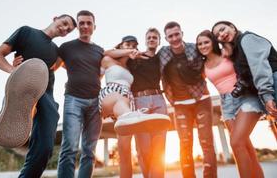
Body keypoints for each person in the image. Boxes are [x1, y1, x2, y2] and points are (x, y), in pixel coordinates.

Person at [0, 14, 76, 178]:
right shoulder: (26, 32)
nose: (65, 29)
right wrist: (12, 69)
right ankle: (22, 105)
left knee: (45, 149)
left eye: (69, 30)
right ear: (55, 18)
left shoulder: (57, 51)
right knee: (27, 90)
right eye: (64, 23)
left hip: (47, 94)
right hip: (23, 86)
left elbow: (64, 66)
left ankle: (30, 110)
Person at [196, 30, 264, 178]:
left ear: (213, 42)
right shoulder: (202, 65)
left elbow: (245, 63)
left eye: (206, 42)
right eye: (200, 43)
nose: (203, 46)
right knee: (245, 146)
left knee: (236, 143)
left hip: (245, 96)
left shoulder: (227, 52)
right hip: (226, 104)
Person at [105, 29, 169, 178]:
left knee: (159, 148)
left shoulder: (160, 58)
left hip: (159, 100)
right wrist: (129, 52)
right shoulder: (134, 58)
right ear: (145, 41)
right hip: (140, 101)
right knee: (144, 148)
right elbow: (108, 53)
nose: (152, 39)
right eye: (149, 37)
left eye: (155, 38)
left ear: (158, 41)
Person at [159, 22, 217, 178]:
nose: (174, 38)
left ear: (182, 33)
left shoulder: (194, 48)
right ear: (166, 38)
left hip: (201, 99)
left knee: (206, 142)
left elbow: (212, 56)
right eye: (170, 36)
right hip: (180, 104)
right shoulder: (163, 53)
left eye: (177, 34)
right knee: (184, 143)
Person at [56, 10, 104, 178]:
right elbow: (53, 66)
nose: (85, 26)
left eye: (88, 23)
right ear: (77, 26)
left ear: (94, 27)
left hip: (96, 103)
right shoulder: (67, 47)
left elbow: (102, 72)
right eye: (81, 23)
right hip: (73, 100)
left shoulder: (99, 50)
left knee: (89, 150)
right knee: (69, 148)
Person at [211, 21, 277, 118]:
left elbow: (259, 68)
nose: (221, 34)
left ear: (232, 27)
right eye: (217, 35)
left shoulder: (247, 39)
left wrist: (267, 95)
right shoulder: (237, 50)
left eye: (222, 29)